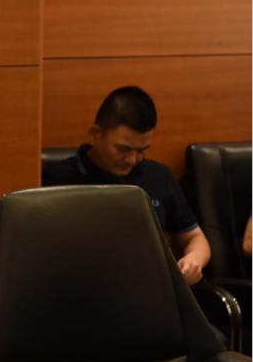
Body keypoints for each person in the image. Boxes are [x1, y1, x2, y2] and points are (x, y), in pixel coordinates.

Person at [42, 86, 211, 285]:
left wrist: (193, 260)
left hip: (151, 287)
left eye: (142, 150)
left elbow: (195, 238)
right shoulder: (57, 179)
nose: (131, 159)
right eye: (123, 149)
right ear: (95, 134)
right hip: (81, 288)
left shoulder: (158, 176)